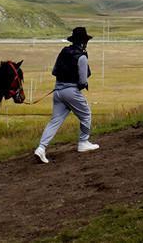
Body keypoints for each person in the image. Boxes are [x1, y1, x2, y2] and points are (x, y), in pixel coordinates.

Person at [34, 27, 99, 164]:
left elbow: (54, 71)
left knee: (54, 121)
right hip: (71, 91)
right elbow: (82, 80)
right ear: (83, 42)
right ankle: (83, 142)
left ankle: (41, 148)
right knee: (86, 114)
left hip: (57, 91)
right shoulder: (81, 56)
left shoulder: (64, 51)